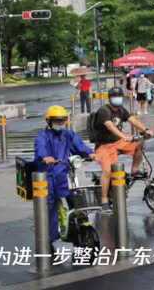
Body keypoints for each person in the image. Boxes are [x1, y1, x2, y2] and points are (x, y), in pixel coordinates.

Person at [34, 105, 95, 251]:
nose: (60, 123)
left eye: (62, 120)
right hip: (48, 175)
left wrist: (89, 153)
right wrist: (45, 157)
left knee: (76, 200)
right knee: (50, 206)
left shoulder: (68, 134)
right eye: (57, 121)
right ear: (49, 121)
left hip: (65, 173)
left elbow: (79, 145)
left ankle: (77, 229)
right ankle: (49, 236)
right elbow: (40, 150)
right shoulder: (42, 136)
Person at [93, 87, 154, 213]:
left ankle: (134, 170)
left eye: (119, 95)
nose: (118, 98)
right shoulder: (104, 110)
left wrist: (145, 130)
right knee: (108, 171)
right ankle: (104, 199)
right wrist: (124, 136)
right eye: (115, 96)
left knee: (139, 143)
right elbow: (110, 126)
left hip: (118, 142)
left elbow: (133, 120)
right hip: (104, 145)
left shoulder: (121, 110)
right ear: (110, 98)